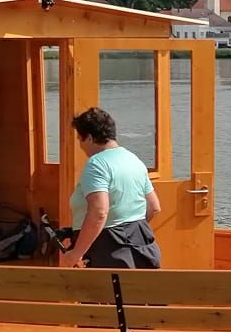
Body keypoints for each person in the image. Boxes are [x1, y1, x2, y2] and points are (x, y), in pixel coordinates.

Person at [69, 107, 162, 268]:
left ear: (89, 138)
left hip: (108, 252)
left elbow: (99, 212)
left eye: (80, 139)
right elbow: (153, 207)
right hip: (140, 246)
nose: (81, 146)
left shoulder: (96, 164)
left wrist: (75, 254)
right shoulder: (134, 160)